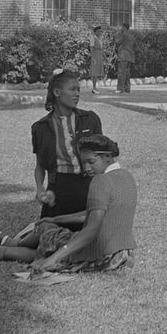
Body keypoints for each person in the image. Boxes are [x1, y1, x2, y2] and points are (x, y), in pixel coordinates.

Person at [0, 135, 137, 276]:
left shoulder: (101, 181)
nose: (86, 168)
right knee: (50, 228)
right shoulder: (125, 176)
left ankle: (5, 245)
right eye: (84, 162)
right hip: (121, 254)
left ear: (107, 157)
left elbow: (91, 231)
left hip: (99, 255)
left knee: (47, 233)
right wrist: (57, 218)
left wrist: (54, 258)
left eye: (91, 161)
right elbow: (91, 213)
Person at [31, 68, 104, 224]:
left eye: (78, 89)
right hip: (58, 189)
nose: (77, 94)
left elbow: (103, 156)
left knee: (89, 237)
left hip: (88, 186)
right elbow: (40, 165)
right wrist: (40, 188)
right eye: (72, 89)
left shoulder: (90, 119)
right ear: (57, 92)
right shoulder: (40, 127)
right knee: (51, 236)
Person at [114, 22, 135, 94]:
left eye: (122, 27)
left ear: (124, 28)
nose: (121, 28)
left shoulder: (123, 35)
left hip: (123, 56)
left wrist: (117, 33)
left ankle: (120, 89)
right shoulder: (131, 36)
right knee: (127, 73)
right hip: (130, 57)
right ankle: (127, 88)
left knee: (121, 72)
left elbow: (117, 42)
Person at [89, 26, 104, 94]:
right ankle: (94, 88)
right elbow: (92, 48)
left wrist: (105, 58)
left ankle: (95, 87)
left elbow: (101, 49)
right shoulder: (93, 38)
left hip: (99, 57)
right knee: (94, 73)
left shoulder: (100, 39)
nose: (99, 32)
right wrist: (93, 58)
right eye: (98, 31)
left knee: (97, 73)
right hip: (95, 57)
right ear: (95, 32)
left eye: (100, 31)